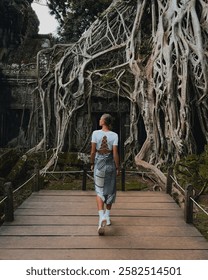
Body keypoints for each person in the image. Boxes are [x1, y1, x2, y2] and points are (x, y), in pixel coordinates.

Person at [90, 113, 120, 235]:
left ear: (104, 122)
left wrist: (92, 163)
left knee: (99, 191)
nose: (99, 120)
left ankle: (101, 217)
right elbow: (115, 154)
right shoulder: (114, 135)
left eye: (101, 118)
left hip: (99, 165)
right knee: (110, 190)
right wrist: (118, 167)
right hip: (110, 166)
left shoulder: (95, 133)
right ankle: (107, 217)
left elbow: (93, 151)